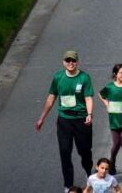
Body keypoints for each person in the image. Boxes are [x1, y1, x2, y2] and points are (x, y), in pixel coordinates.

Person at [36, 50, 94, 191]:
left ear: (77, 62)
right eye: (68, 61)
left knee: (84, 150)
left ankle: (89, 173)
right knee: (65, 151)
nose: (71, 63)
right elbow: (51, 98)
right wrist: (42, 118)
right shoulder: (58, 77)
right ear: (63, 62)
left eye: (73, 60)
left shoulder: (84, 78)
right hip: (64, 121)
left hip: (81, 120)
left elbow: (88, 98)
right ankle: (68, 185)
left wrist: (89, 114)